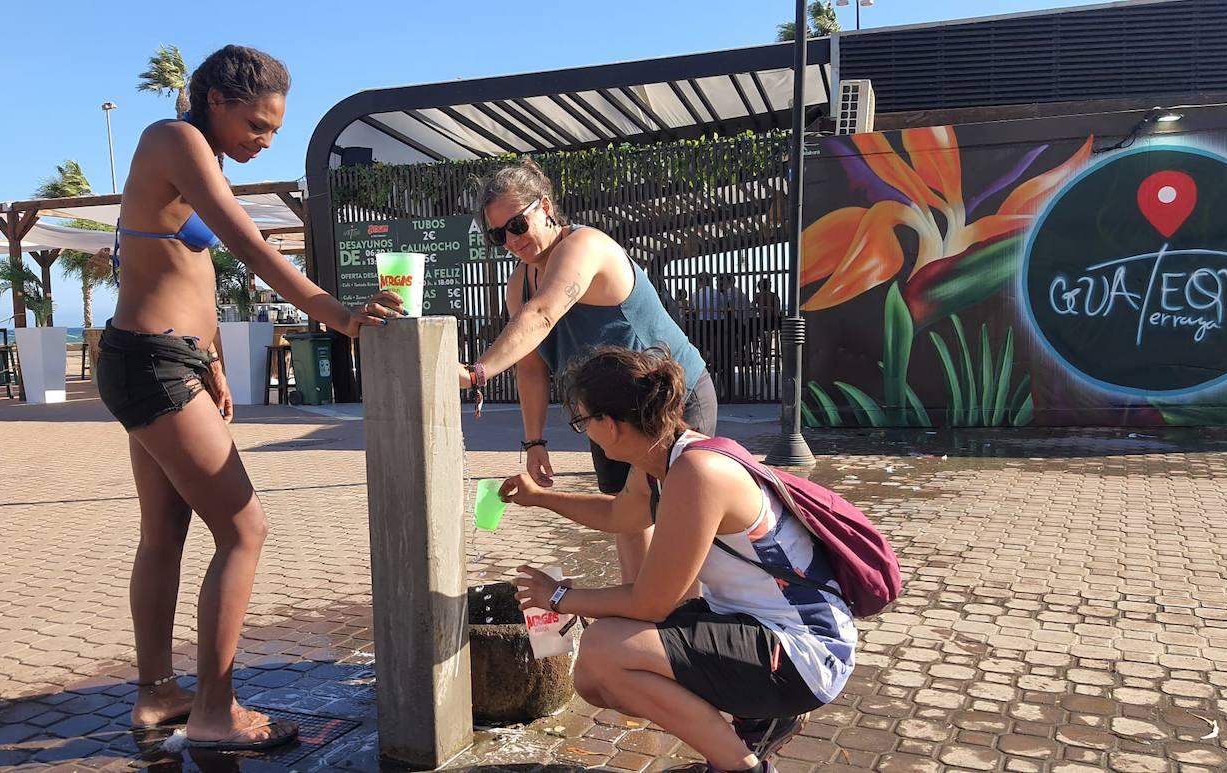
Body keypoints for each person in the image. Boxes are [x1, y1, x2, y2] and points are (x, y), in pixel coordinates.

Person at [98, 44, 404, 751]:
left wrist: (210, 358)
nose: (265, 140)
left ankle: (156, 696)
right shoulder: (173, 139)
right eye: (258, 125)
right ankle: (214, 710)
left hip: (162, 358)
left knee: (165, 533)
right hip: (151, 362)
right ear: (215, 101)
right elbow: (249, 247)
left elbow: (179, 264)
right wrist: (340, 314)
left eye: (274, 130)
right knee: (245, 528)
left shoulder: (186, 147)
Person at [502, 347, 855, 773]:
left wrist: (557, 597)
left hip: (805, 651)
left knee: (603, 652)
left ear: (608, 425)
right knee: (595, 675)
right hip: (759, 628)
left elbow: (651, 604)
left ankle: (739, 765)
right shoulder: (662, 458)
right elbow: (620, 515)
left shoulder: (696, 474)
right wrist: (540, 499)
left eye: (582, 421)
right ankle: (759, 718)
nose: (585, 431)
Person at [458, 158, 717, 584]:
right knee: (627, 516)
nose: (510, 240)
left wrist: (476, 374)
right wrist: (535, 441)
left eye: (517, 225)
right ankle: (640, 606)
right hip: (609, 410)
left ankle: (685, 624)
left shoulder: (585, 246)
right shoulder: (519, 282)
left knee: (680, 517)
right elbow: (532, 368)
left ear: (545, 206)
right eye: (497, 234)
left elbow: (542, 316)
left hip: (671, 398)